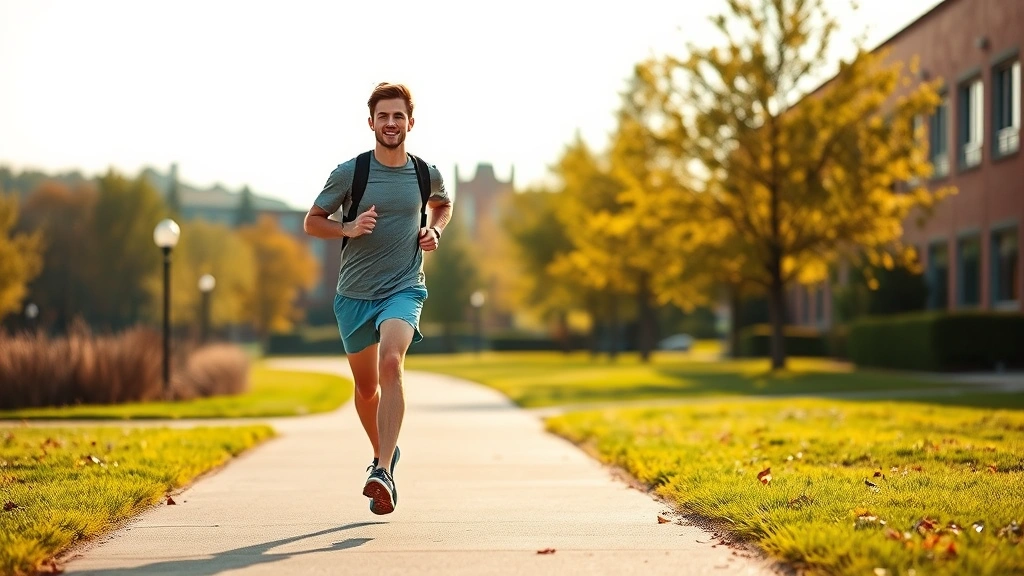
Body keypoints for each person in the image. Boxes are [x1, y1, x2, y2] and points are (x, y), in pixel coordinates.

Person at [303, 82, 453, 515]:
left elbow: (442, 203)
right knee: (367, 389)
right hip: (353, 295)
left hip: (404, 287)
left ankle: (382, 469)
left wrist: (435, 229)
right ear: (371, 122)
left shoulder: (425, 173)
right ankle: (383, 455)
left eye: (398, 116)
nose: (391, 123)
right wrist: (347, 228)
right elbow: (313, 222)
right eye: (383, 116)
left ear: (411, 122)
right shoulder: (351, 173)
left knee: (392, 363)